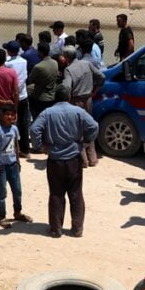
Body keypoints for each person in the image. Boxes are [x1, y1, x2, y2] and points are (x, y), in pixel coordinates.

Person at [30, 86, 99, 238]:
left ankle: (56, 229)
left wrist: (40, 146)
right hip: (74, 158)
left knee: (56, 195)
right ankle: (77, 229)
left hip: (55, 159)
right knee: (76, 194)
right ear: (69, 97)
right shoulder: (78, 111)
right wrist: (86, 141)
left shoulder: (47, 113)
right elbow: (94, 126)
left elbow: (34, 129)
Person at [61, 47, 105, 167]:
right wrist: (94, 91)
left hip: (75, 101)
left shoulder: (68, 70)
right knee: (88, 127)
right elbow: (101, 77)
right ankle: (93, 158)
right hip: (88, 100)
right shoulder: (87, 64)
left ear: (66, 57)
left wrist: (66, 100)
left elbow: (66, 87)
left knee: (76, 130)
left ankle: (83, 160)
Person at [0, 106, 32, 228]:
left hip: (13, 164)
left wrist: (18, 161)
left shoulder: (14, 129)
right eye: (7, 114)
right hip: (1, 166)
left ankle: (17, 212)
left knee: (17, 190)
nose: (9, 117)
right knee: (2, 192)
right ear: (2, 115)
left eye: (12, 115)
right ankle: (2, 216)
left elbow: (15, 145)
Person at [5, 41, 32, 154]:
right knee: (23, 123)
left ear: (10, 51)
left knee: (9, 122)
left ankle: (11, 148)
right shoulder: (24, 61)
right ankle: (25, 149)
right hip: (23, 95)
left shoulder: (8, 64)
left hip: (12, 96)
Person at [27, 42, 59, 118]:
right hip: (51, 96)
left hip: (40, 98)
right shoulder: (55, 63)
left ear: (41, 52)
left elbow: (29, 80)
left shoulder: (38, 67)